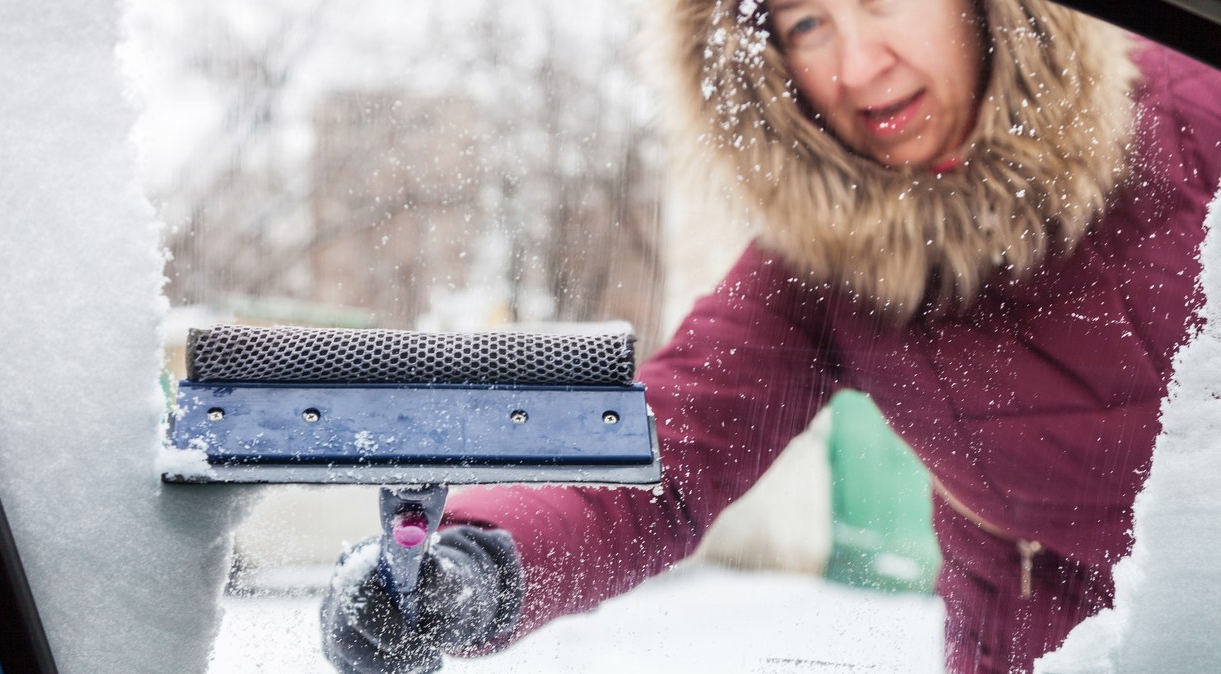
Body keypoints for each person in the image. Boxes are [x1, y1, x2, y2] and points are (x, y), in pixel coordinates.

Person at [321, 0, 1221, 671]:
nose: (860, 65)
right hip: (1042, 630)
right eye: (807, 23)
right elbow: (666, 457)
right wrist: (475, 567)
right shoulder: (823, 266)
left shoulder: (1189, 110)